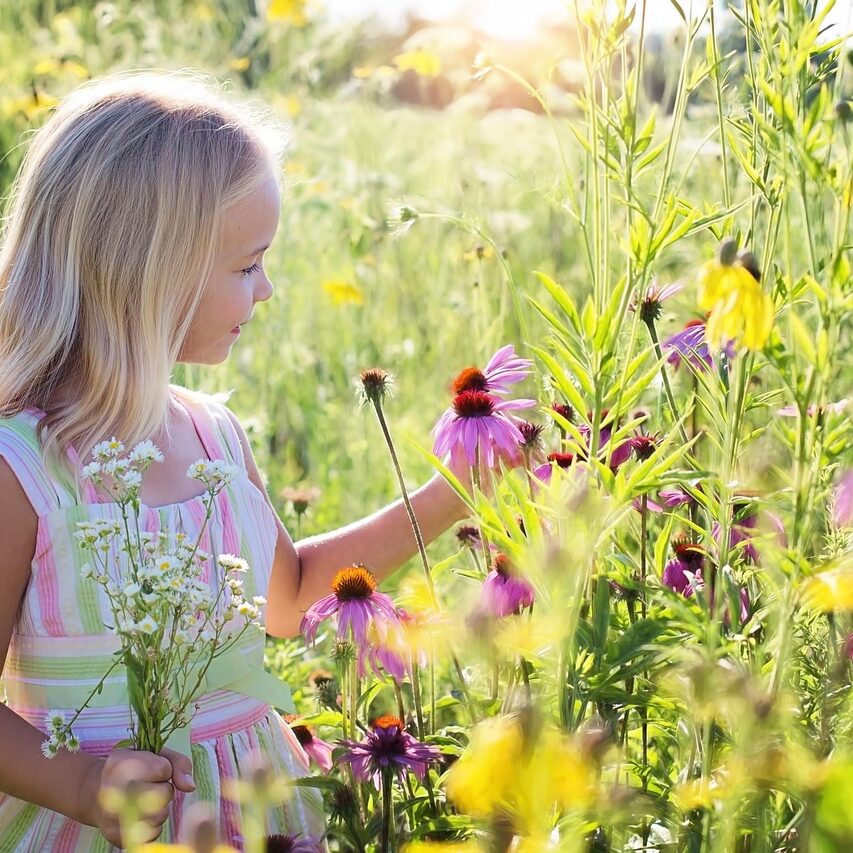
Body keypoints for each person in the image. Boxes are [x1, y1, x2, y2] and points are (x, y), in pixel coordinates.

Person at [0, 70, 469, 850]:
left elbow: (285, 598)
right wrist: (83, 785)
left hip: (259, 816)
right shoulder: (25, 468)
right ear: (147, 273)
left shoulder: (215, 435)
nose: (270, 288)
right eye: (247, 264)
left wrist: (447, 494)